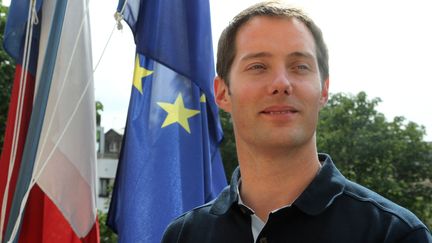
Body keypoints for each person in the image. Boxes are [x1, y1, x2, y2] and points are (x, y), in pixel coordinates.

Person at [162, 2, 432, 242]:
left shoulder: (394, 234)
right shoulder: (183, 236)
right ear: (222, 92)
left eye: (300, 66)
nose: (281, 83)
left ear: (324, 91)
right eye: (258, 66)